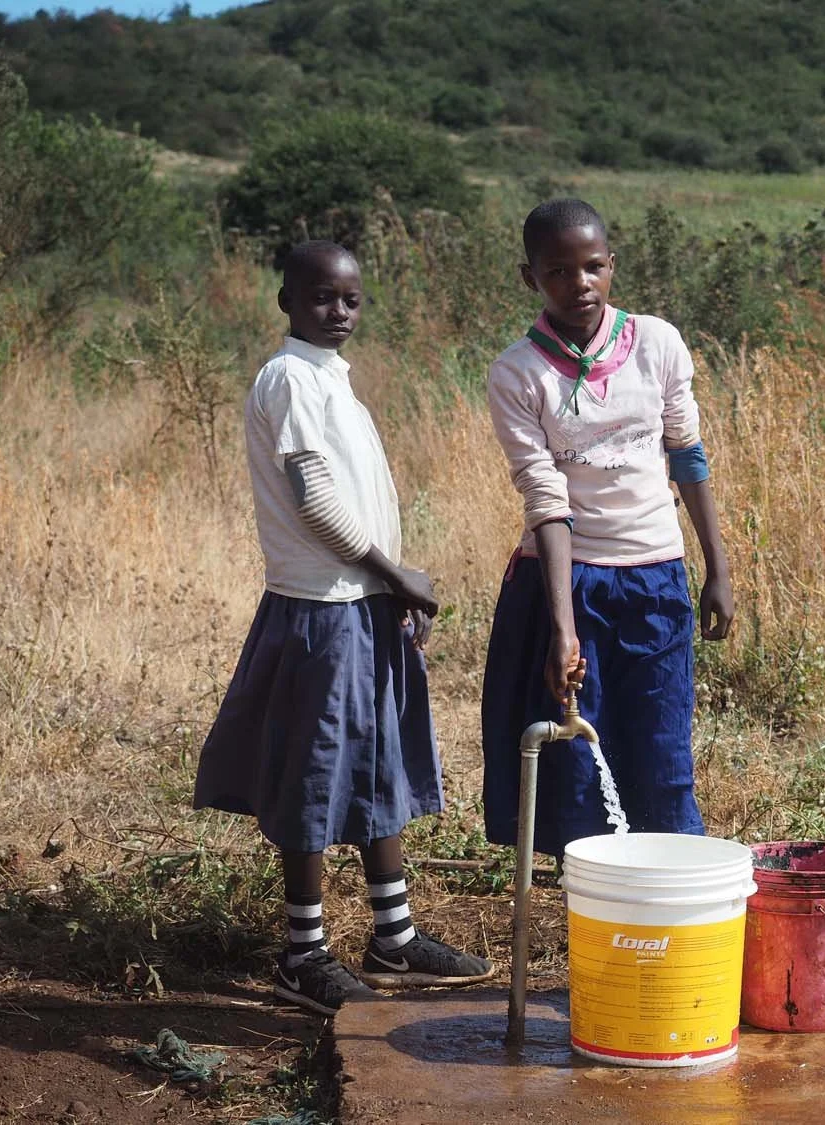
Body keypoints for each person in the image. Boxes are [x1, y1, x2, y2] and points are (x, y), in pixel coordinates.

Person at [194, 240, 493, 1015]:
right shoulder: (291, 378)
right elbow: (315, 500)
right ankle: (303, 954)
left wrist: (387, 589)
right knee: (315, 775)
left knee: (374, 764)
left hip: (359, 602)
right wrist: (396, 576)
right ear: (286, 300)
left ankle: (392, 935)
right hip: (321, 609)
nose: (339, 312)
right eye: (322, 297)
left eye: (351, 300)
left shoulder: (333, 383)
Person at [482, 199, 734, 862]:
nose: (580, 282)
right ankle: (597, 908)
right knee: (578, 760)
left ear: (612, 266)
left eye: (593, 266)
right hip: (569, 580)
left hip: (655, 576)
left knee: (661, 747)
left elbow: (687, 452)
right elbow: (546, 496)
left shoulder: (656, 344)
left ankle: (670, 902)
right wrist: (563, 628)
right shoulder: (517, 373)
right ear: (529, 277)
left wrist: (717, 568)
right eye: (559, 271)